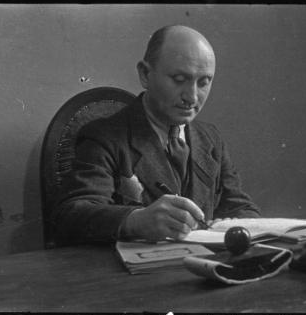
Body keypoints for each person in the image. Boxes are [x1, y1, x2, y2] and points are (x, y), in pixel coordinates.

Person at [51, 25, 260, 245]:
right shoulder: (103, 137)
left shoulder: (210, 138)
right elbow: (70, 216)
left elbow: (240, 207)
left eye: (204, 82)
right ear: (145, 74)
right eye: (179, 79)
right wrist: (135, 221)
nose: (191, 97)